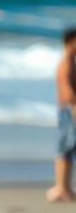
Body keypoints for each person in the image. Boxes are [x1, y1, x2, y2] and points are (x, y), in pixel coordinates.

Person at [46, 27, 76, 203]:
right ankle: (61, 188)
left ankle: (65, 187)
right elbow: (67, 91)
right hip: (69, 110)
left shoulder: (71, 62)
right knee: (65, 147)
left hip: (69, 109)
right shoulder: (66, 63)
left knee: (69, 148)